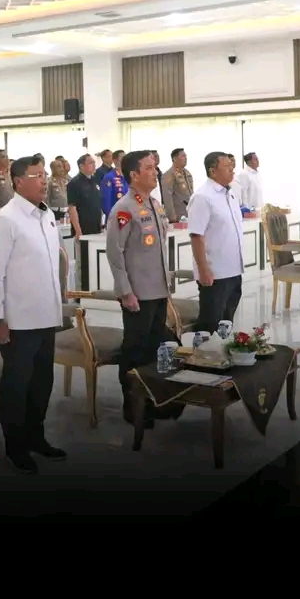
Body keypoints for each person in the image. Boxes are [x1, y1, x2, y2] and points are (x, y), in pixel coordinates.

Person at [0, 154, 66, 474]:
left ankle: (36, 437)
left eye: (44, 174)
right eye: (36, 175)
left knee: (42, 382)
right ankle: (15, 447)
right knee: (17, 386)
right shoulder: (6, 219)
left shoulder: (46, 215)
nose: (44, 180)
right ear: (19, 182)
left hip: (46, 315)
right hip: (19, 320)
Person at [106, 150, 172, 424]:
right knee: (134, 350)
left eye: (155, 167)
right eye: (148, 168)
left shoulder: (154, 204)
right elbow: (115, 253)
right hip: (138, 293)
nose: (155, 172)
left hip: (158, 289)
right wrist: (125, 291)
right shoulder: (124, 209)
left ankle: (153, 401)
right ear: (134, 174)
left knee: (154, 349)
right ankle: (132, 406)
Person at [187, 152, 244, 332]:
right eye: (227, 166)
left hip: (233, 270)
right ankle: (204, 350)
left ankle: (224, 349)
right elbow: (196, 236)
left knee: (226, 324)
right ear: (213, 171)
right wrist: (203, 270)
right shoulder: (203, 197)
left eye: (232, 166)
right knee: (210, 324)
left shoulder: (230, 193)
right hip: (215, 274)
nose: (232, 170)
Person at [162, 148, 194, 222]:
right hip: (179, 216)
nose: (186, 158)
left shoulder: (187, 173)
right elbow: (167, 197)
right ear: (175, 159)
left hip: (190, 213)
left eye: (186, 156)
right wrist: (172, 216)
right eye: (183, 156)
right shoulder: (169, 175)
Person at [100, 150, 127, 220]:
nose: (125, 160)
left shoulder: (128, 176)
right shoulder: (109, 177)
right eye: (122, 158)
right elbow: (106, 200)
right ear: (115, 160)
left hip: (128, 216)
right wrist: (111, 217)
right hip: (115, 217)